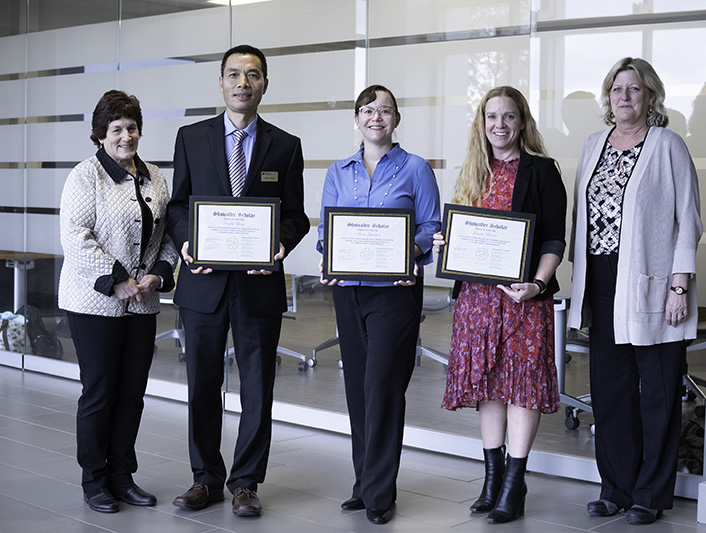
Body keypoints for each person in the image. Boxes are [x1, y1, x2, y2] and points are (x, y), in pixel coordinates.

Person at [166, 44, 309, 518]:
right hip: (202, 285)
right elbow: (179, 206)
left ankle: (245, 482)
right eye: (233, 74)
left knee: (257, 388)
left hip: (257, 285)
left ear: (265, 84)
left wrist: (280, 246)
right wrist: (187, 243)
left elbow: (296, 216)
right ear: (221, 83)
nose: (242, 82)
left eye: (252, 74)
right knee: (202, 385)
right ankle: (204, 479)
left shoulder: (285, 145)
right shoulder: (191, 137)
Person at [568, 57, 702, 525]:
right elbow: (579, 222)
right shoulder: (592, 146)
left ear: (651, 97)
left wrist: (679, 285)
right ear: (608, 98)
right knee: (610, 392)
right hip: (602, 284)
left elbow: (689, 220)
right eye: (617, 89)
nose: (624, 96)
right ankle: (616, 488)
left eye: (634, 89)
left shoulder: (667, 146)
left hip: (654, 286)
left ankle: (649, 494)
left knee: (658, 394)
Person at [437, 86, 567, 524]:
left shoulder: (543, 171)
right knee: (489, 385)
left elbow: (553, 239)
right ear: (482, 123)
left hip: (523, 301)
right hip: (477, 300)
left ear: (522, 121)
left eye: (508, 116)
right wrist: (446, 243)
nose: (499, 125)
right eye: (491, 117)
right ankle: (491, 480)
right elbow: (466, 235)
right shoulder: (473, 171)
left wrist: (537, 284)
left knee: (521, 386)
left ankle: (514, 482)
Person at [317, 84, 440, 525]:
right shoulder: (338, 170)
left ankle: (380, 493)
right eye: (368, 110)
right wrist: (327, 255)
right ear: (356, 119)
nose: (376, 117)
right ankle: (364, 482)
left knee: (383, 387)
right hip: (348, 289)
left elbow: (431, 225)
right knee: (357, 390)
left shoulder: (416, 169)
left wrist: (411, 251)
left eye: (385, 110)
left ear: (396, 119)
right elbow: (327, 231)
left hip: (395, 291)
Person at [59, 90, 179, 513]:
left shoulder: (155, 176)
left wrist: (160, 273)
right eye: (116, 129)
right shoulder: (84, 176)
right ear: (99, 135)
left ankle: (122, 476)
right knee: (100, 392)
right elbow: (75, 237)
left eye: (131, 127)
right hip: (94, 304)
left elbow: (168, 234)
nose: (125, 136)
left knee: (132, 393)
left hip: (143, 304)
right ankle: (94, 481)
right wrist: (116, 281)